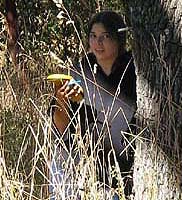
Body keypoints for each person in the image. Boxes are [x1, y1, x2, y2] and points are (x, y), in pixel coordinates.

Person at [49, 10, 136, 199]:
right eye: (93, 36)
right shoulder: (81, 69)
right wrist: (61, 98)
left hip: (120, 167)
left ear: (119, 39)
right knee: (59, 157)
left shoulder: (133, 70)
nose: (97, 43)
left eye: (105, 37)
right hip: (83, 161)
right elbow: (59, 127)